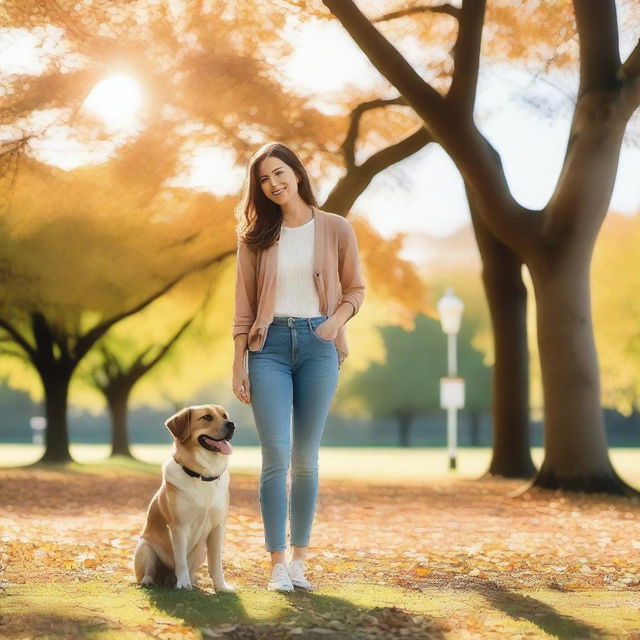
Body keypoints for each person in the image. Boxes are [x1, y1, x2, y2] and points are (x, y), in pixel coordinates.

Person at [232, 142, 365, 591]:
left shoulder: (336, 228)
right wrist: (239, 363)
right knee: (275, 458)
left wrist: (335, 323)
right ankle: (276, 565)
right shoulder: (255, 237)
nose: (273, 184)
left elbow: (356, 289)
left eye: (279, 173)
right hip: (266, 349)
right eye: (264, 179)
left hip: (318, 346)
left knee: (306, 460)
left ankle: (300, 561)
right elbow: (243, 308)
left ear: (297, 172)